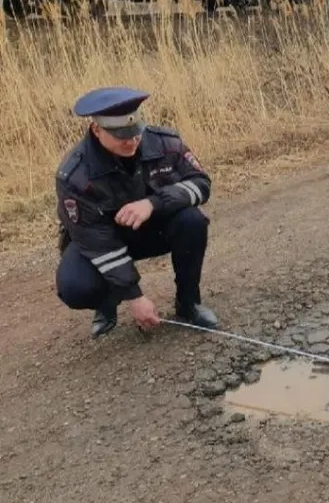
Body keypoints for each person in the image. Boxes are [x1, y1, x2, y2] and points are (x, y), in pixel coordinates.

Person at [54, 86, 220, 338]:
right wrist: (134, 296)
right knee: (75, 286)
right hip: (103, 241)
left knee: (192, 221)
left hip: (154, 229)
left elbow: (201, 184)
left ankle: (188, 303)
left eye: (135, 132)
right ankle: (107, 302)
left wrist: (154, 203)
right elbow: (96, 241)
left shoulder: (165, 142)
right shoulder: (75, 174)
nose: (131, 141)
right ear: (97, 130)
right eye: (122, 135)